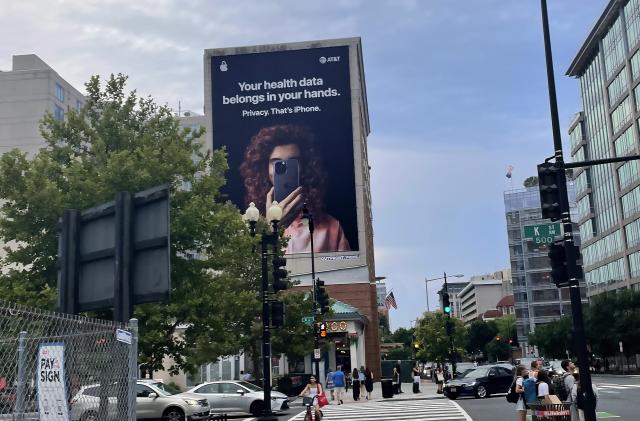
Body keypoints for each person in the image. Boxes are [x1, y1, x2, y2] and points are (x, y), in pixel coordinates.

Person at [239, 124, 351, 254]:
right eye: (276, 163)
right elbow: (242, 270)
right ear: (264, 168)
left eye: (293, 163)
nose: (285, 170)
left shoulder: (331, 228)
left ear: (305, 168)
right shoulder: (246, 226)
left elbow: (345, 272)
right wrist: (272, 228)